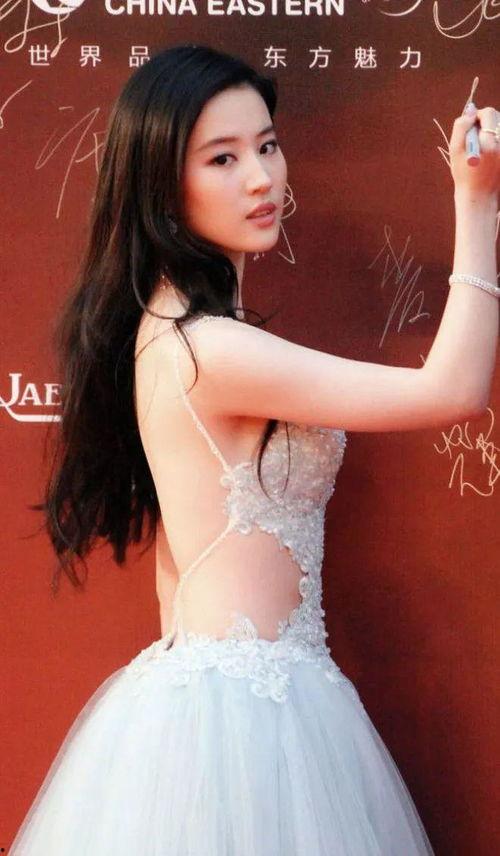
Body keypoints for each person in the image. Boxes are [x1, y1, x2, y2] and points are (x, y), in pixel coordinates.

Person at [9, 42, 499, 855]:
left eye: (267, 145)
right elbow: (452, 391)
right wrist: (476, 206)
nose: (263, 179)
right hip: (240, 717)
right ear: (161, 184)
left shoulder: (176, 332)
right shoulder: (209, 350)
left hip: (241, 707)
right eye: (223, 158)